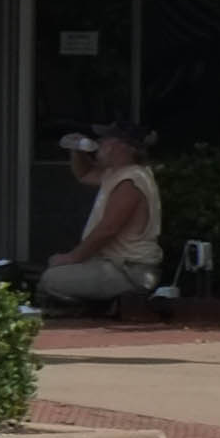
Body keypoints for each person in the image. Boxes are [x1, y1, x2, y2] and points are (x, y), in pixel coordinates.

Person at [40, 122, 165, 310]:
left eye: (105, 140)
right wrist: (77, 151)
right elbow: (85, 174)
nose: (100, 143)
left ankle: (97, 308)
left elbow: (108, 229)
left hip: (129, 271)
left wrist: (72, 257)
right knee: (55, 271)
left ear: (122, 147)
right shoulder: (116, 172)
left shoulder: (131, 180)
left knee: (50, 279)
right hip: (116, 265)